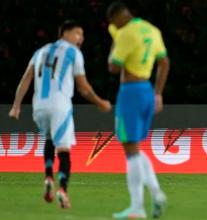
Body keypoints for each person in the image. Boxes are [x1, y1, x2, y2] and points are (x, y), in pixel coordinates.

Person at [8, 20, 112, 208]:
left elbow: (26, 79)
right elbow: (83, 87)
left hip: (38, 106)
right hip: (60, 106)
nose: (81, 38)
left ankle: (48, 176)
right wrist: (99, 102)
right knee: (64, 150)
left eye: (82, 34)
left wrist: (16, 105)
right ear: (65, 34)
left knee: (49, 139)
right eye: (77, 33)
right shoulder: (73, 53)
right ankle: (62, 189)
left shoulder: (40, 52)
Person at [106, 1, 170, 219]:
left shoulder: (125, 33)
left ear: (116, 17)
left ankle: (137, 207)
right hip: (147, 91)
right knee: (134, 147)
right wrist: (158, 93)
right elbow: (164, 63)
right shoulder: (153, 30)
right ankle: (156, 193)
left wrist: (115, 41)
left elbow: (113, 67)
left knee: (130, 150)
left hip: (130, 92)